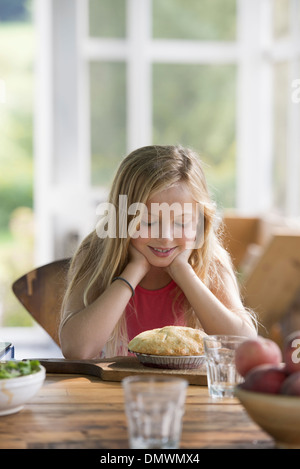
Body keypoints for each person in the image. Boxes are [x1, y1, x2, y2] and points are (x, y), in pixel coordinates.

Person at [59, 145, 257, 359]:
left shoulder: (212, 261)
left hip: (189, 392)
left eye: (182, 222)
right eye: (148, 221)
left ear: (201, 222)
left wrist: (183, 272)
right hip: (115, 390)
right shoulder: (94, 253)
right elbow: (77, 350)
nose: (165, 237)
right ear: (122, 218)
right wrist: (133, 271)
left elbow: (244, 346)